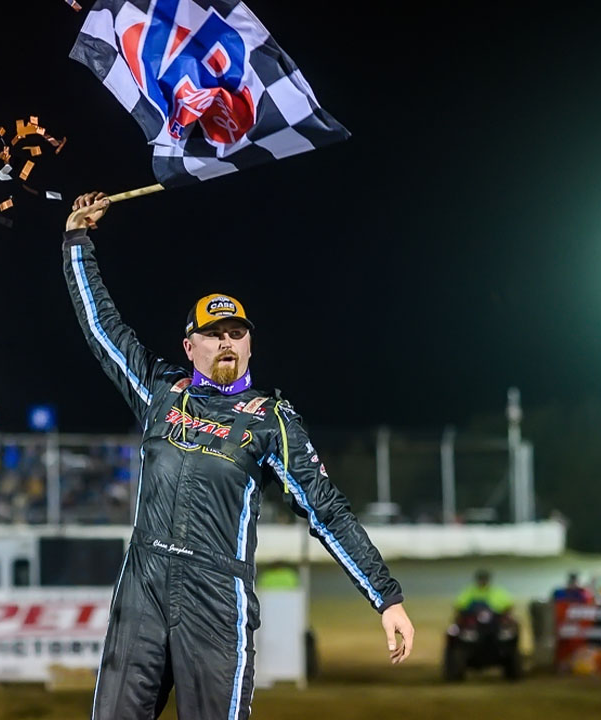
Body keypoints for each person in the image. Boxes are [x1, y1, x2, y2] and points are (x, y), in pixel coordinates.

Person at [63, 192, 414, 720]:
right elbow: (101, 328)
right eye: (213, 334)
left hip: (215, 597)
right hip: (144, 583)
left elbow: (327, 510)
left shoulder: (271, 419)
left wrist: (386, 597)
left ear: (249, 345)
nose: (226, 342)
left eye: (236, 333)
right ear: (190, 346)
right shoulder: (161, 390)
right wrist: (77, 242)